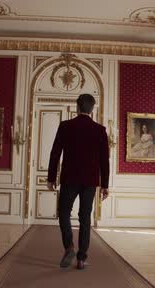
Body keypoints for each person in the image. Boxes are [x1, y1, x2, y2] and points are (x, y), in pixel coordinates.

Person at [47, 93, 110, 270]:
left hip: (70, 178)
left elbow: (55, 153)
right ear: (92, 108)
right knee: (85, 217)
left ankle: (69, 247)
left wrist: (51, 177)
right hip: (90, 180)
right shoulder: (100, 130)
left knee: (64, 212)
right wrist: (105, 184)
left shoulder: (66, 126)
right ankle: (81, 259)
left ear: (77, 107)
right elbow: (105, 160)